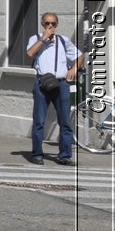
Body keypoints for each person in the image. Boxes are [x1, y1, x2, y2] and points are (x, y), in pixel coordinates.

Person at [28, 12, 83, 166]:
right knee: (39, 121)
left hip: (61, 85)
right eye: (47, 23)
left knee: (65, 121)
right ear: (42, 24)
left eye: (53, 24)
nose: (50, 26)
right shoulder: (35, 38)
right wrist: (43, 38)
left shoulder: (63, 41)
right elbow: (30, 53)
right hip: (42, 84)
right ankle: (37, 154)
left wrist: (74, 69)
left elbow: (80, 56)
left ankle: (65, 156)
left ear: (57, 25)